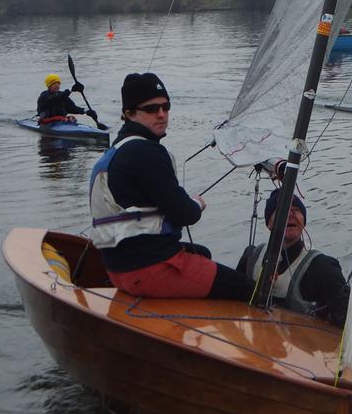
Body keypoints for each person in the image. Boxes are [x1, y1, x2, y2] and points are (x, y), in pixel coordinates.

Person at [89, 71, 254, 301]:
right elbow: (184, 214)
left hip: (118, 269)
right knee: (248, 288)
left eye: (166, 107)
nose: (162, 114)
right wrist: (197, 204)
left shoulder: (116, 151)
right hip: (149, 270)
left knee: (202, 253)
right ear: (129, 114)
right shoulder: (145, 152)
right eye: (151, 109)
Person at [237, 189, 349, 326]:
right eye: (282, 210)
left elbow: (348, 323)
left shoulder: (323, 268)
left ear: (304, 222)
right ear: (268, 224)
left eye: (296, 210)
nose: (290, 214)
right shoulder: (251, 257)